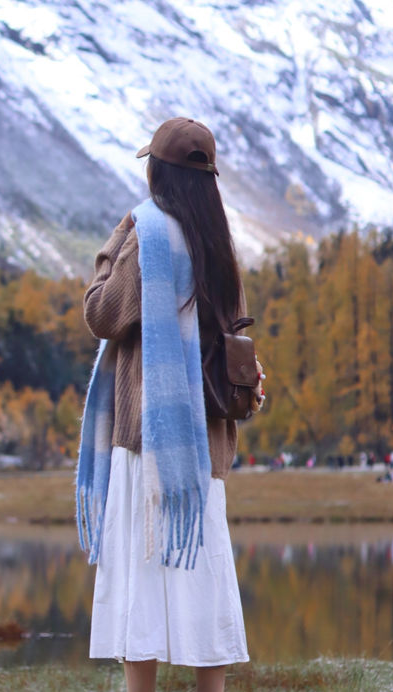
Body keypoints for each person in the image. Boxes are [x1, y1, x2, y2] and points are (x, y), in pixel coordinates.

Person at [76, 117, 262, 692]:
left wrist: (116, 244)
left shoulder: (147, 234)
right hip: (202, 446)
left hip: (144, 439)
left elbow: (100, 314)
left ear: (158, 172)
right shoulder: (218, 245)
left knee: (141, 584)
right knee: (203, 583)